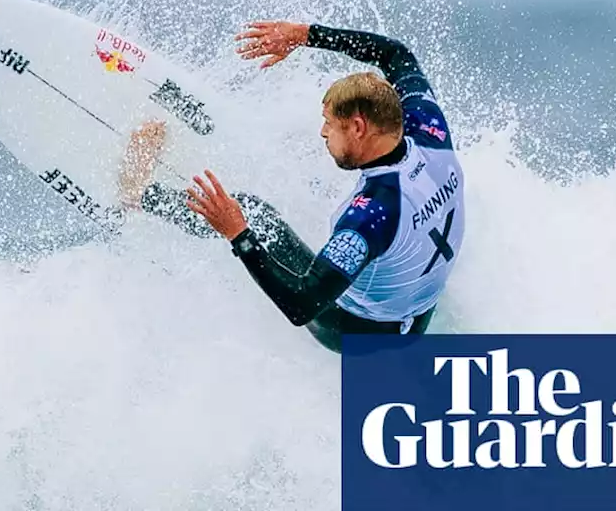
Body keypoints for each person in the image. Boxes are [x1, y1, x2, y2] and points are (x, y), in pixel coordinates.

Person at [117, 20, 465, 353]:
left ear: (358, 127)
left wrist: (238, 233)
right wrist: (305, 35)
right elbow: (395, 54)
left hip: (357, 334)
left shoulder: (371, 216)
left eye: (330, 123)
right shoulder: (428, 128)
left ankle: (140, 194)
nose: (323, 132)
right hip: (419, 313)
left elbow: (302, 305)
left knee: (256, 215)